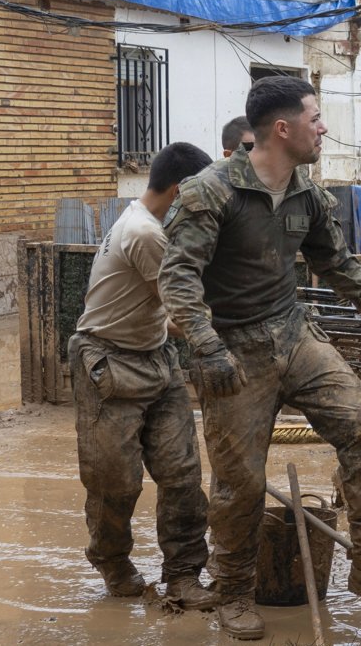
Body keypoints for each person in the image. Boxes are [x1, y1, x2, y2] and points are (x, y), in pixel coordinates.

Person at [159, 77, 361, 640]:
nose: (323, 128)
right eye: (316, 118)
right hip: (230, 348)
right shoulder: (210, 191)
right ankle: (234, 593)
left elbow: (337, 261)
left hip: (294, 334)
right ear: (282, 128)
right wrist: (206, 347)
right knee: (241, 483)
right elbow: (178, 278)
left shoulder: (307, 193)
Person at [70, 142, 216, 610]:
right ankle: (113, 564)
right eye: (196, 200)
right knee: (115, 481)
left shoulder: (147, 221)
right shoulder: (144, 233)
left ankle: (183, 575)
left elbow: (171, 317)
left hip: (155, 357)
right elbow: (182, 314)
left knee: (182, 474)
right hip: (109, 364)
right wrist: (220, 336)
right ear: (179, 191)